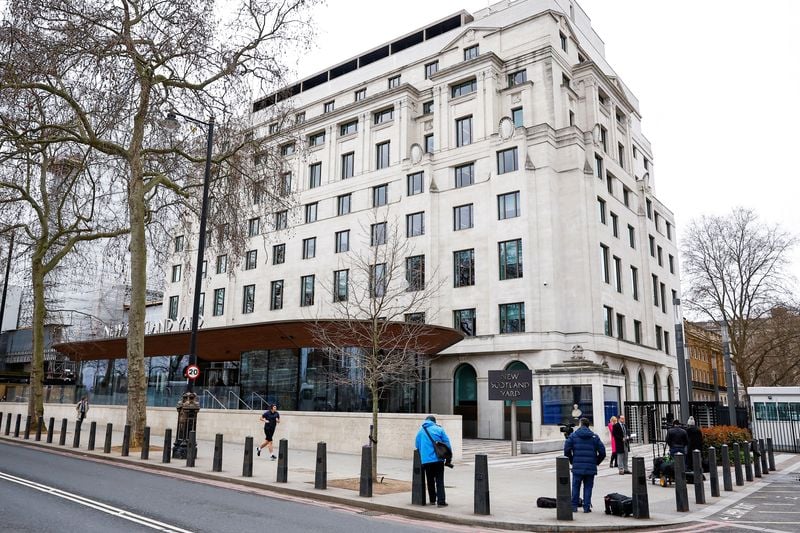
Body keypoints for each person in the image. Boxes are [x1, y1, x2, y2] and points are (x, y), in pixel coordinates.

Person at [564, 417, 606, 513]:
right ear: (588, 425)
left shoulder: (573, 436)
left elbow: (566, 449)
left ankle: (574, 506)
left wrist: (571, 460)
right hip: (590, 467)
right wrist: (596, 462)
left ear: (580, 424)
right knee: (588, 487)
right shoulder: (594, 437)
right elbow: (602, 452)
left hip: (577, 466)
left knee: (575, 486)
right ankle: (586, 507)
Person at [415, 415, 452, 507]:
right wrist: (448, 457)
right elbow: (447, 443)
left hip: (426, 461)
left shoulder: (420, 432)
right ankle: (441, 501)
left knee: (430, 480)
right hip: (438, 459)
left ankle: (432, 500)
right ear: (434, 422)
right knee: (439, 480)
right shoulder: (439, 429)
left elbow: (417, 445)